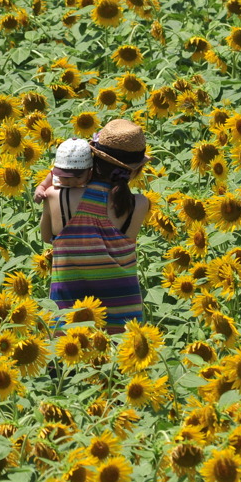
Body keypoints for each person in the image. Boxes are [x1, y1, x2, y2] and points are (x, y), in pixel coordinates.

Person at [39, 119, 152, 336]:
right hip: (122, 323)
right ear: (136, 169)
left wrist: (48, 183)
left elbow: (46, 237)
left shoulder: (57, 197)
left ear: (93, 158)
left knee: (68, 370)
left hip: (69, 324)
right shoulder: (139, 204)